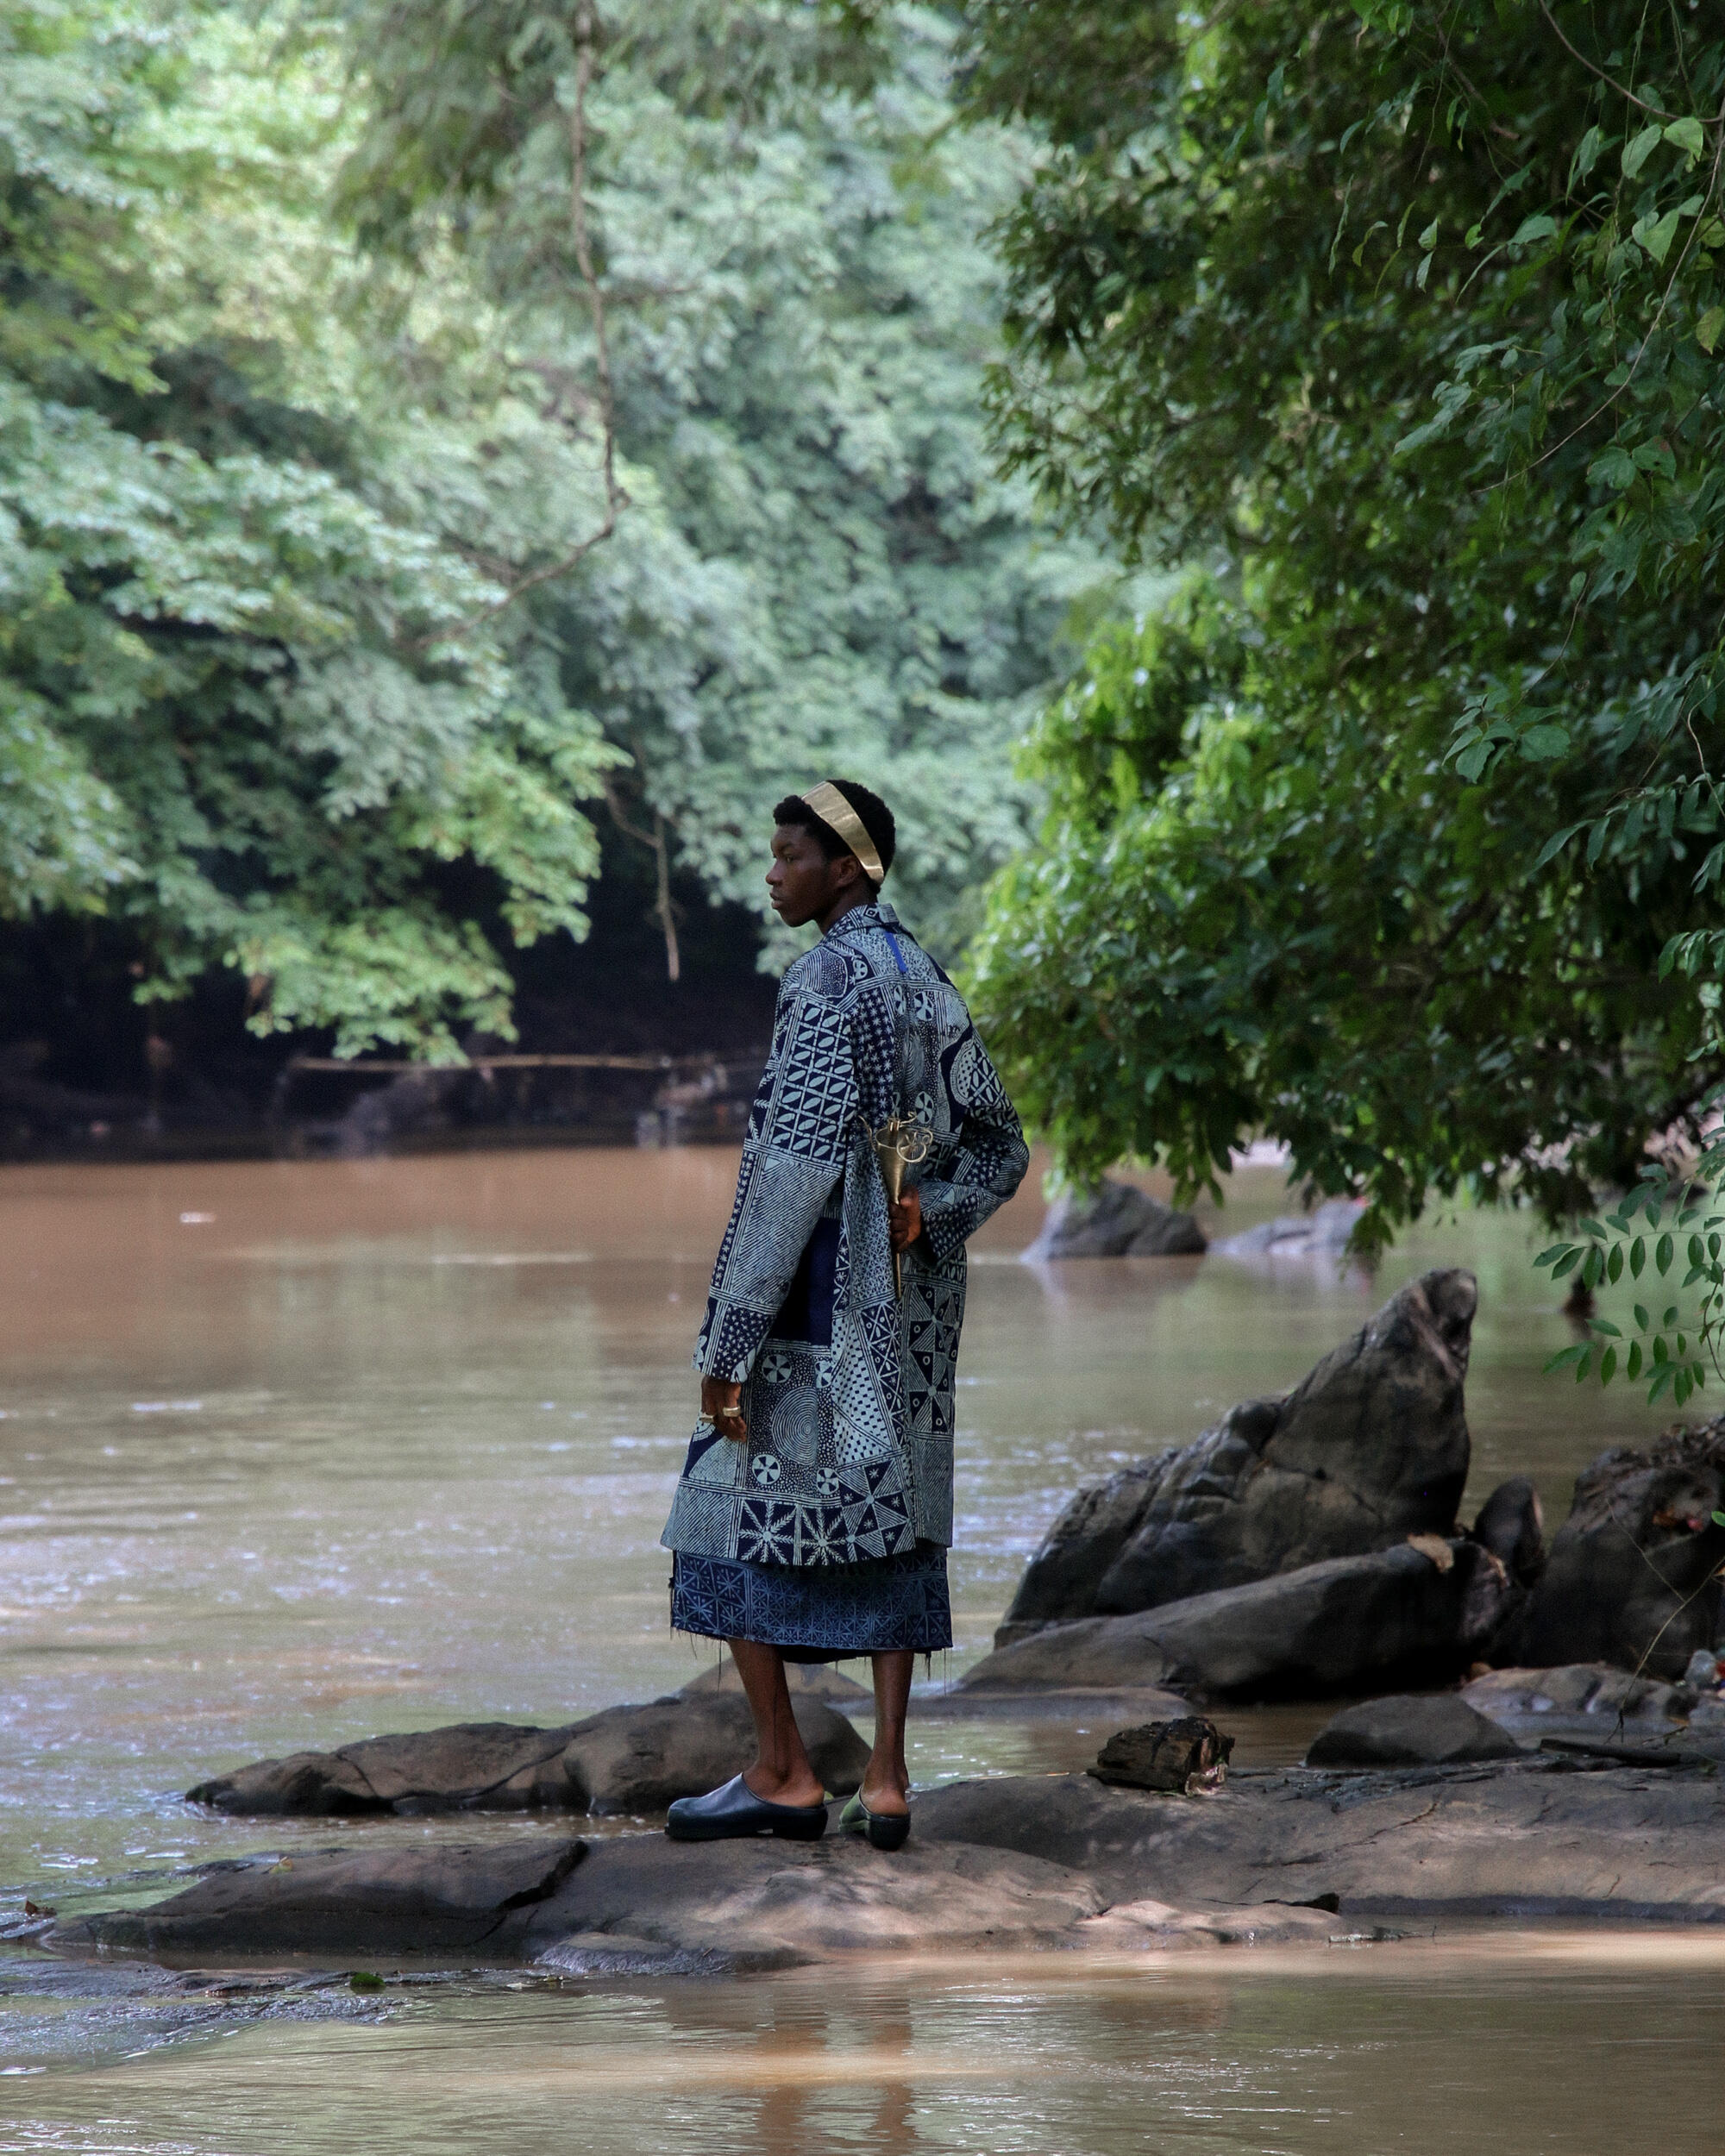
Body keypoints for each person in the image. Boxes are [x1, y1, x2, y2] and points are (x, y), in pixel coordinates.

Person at [661, 779, 1028, 1849]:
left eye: (788, 855)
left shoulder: (823, 978)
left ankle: (780, 1771)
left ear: (848, 867)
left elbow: (789, 1174)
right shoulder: (929, 979)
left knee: (713, 1516)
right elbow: (1001, 1144)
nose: (771, 872)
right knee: (898, 1515)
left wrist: (726, 1343)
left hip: (817, 1310)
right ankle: (887, 1778)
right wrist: (934, 1212)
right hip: (912, 1315)